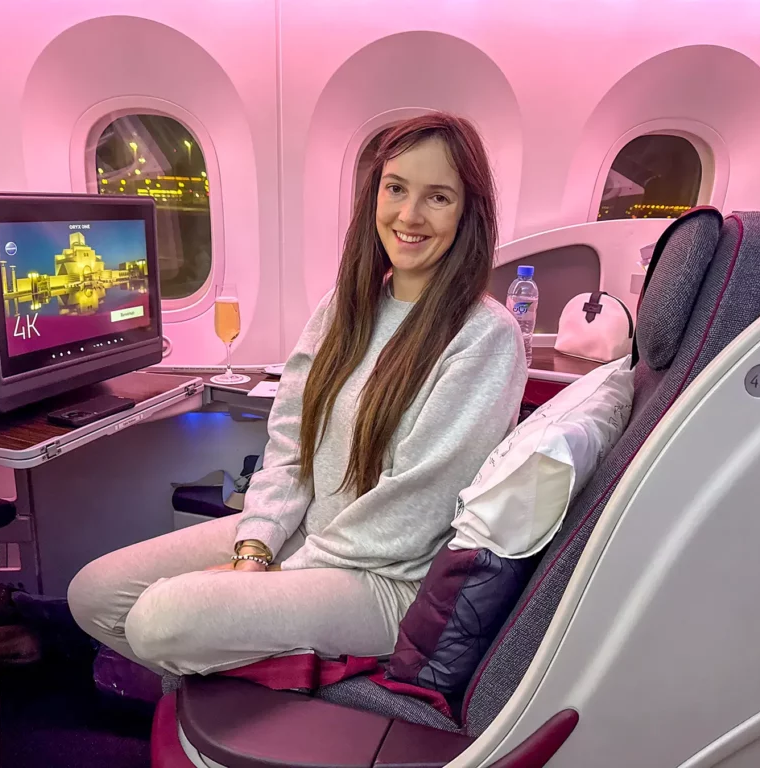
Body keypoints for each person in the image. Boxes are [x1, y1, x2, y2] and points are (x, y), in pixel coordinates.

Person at [67, 113, 529, 677]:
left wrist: (281, 578)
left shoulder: (486, 337)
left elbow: (415, 508)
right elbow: (291, 440)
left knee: (156, 621)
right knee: (93, 595)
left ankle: (222, 680)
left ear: (467, 213)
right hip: (307, 534)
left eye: (438, 197)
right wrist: (255, 547)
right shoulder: (347, 304)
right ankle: (221, 678)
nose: (409, 215)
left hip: (385, 578)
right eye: (396, 189)